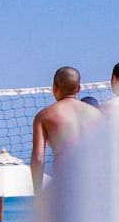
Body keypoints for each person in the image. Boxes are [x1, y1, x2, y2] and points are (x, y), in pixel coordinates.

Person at [30, 67, 101, 196]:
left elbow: (38, 158)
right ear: (79, 88)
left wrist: (37, 195)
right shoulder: (96, 114)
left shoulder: (44, 116)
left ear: (54, 87)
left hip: (65, 184)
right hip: (94, 184)